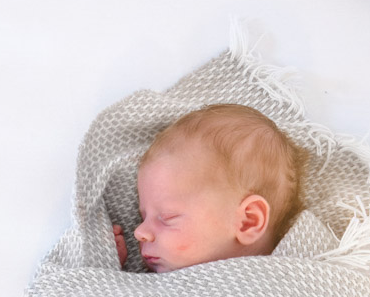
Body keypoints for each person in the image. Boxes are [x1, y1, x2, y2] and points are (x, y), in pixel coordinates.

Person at [113, 103, 306, 272]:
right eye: (143, 217)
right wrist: (112, 271)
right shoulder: (161, 282)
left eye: (167, 217)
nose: (139, 232)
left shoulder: (285, 285)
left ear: (248, 220)